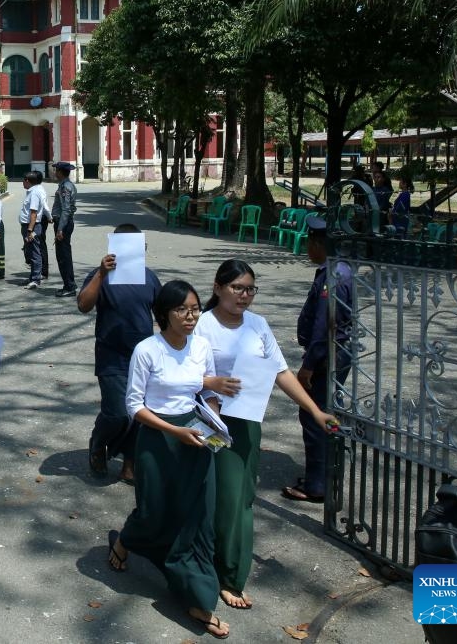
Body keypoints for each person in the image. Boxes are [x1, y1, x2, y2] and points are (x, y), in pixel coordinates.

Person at [196, 259, 337, 610]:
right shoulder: (201, 325)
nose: (244, 295)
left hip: (246, 423)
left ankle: (228, 571)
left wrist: (314, 410)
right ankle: (217, 570)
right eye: (237, 288)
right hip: (210, 421)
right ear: (218, 288)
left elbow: (280, 372)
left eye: (250, 289)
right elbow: (175, 372)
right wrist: (210, 383)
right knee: (218, 498)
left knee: (240, 499)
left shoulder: (258, 325)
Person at [108, 280, 230, 640]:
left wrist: (214, 421)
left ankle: (198, 598)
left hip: (196, 436)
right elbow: (134, 406)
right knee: (155, 512)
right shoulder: (147, 350)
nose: (190, 316)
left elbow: (205, 391)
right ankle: (126, 540)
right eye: (181, 310)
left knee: (198, 517)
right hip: (158, 437)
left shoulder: (201, 346)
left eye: (195, 309)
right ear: (164, 314)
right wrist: (174, 431)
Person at [78, 223, 161, 484]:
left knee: (140, 414)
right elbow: (83, 305)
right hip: (111, 355)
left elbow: (163, 313)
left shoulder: (149, 278)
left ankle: (129, 463)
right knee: (117, 413)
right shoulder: (100, 275)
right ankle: (98, 442)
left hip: (143, 357)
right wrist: (101, 274)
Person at [282, 216, 353, 503]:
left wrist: (308, 366)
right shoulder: (339, 269)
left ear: (317, 243)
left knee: (314, 415)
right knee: (326, 411)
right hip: (336, 353)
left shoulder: (333, 276)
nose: (307, 249)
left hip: (327, 357)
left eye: (309, 243)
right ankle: (326, 475)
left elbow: (325, 328)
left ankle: (317, 485)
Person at [51, 162, 78, 296]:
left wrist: (60, 229)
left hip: (63, 224)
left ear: (61, 172)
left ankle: (69, 286)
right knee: (63, 255)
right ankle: (68, 284)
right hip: (64, 222)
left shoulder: (65, 187)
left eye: (56, 171)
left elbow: (66, 209)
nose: (55, 173)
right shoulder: (66, 185)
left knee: (63, 256)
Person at [19, 171, 48, 289]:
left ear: (27, 181)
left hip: (32, 226)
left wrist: (30, 230)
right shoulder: (32, 191)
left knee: (35, 253)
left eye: (23, 180)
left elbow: (33, 213)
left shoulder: (34, 193)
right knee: (30, 252)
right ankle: (33, 277)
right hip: (29, 226)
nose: (22, 183)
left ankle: (36, 279)